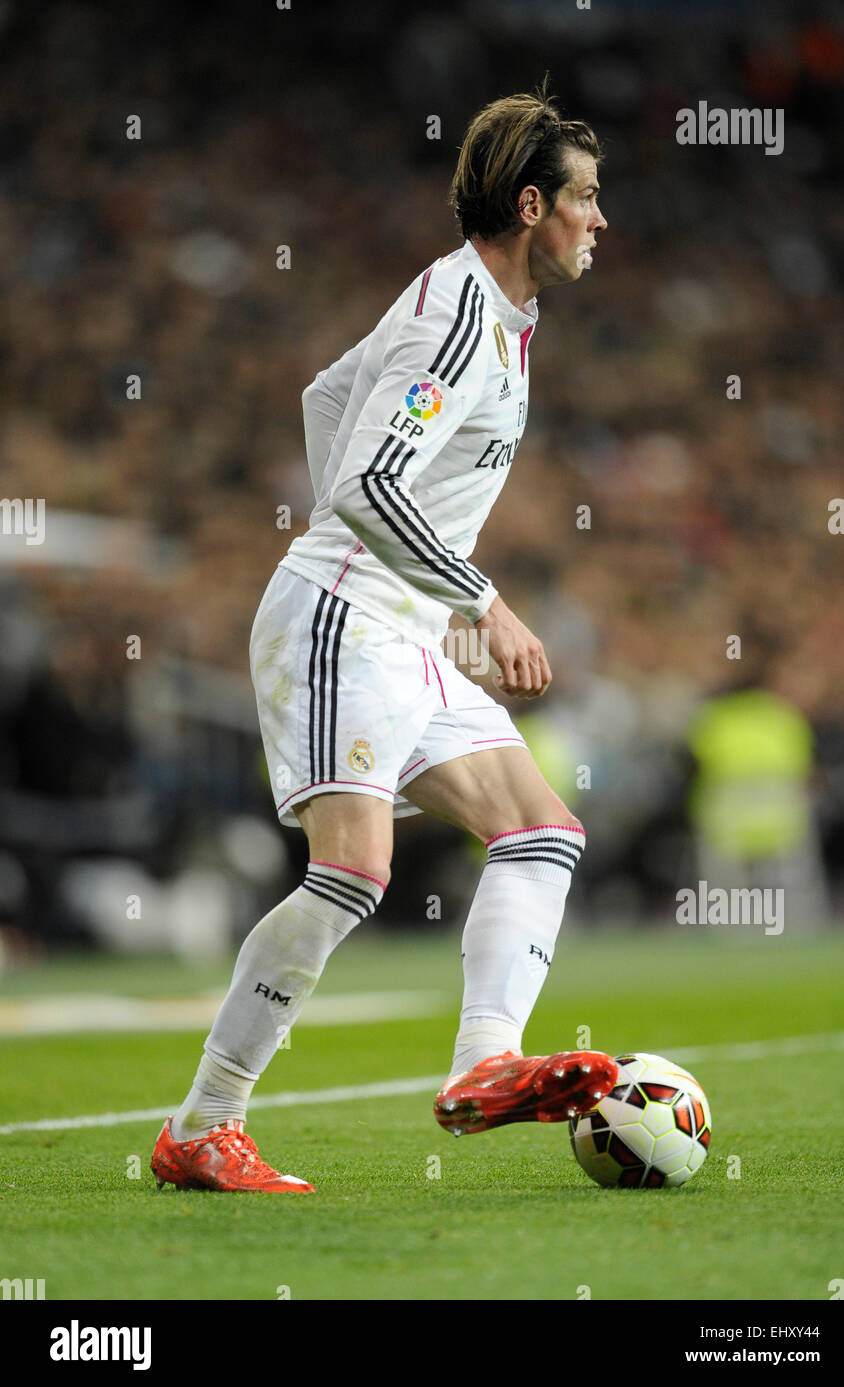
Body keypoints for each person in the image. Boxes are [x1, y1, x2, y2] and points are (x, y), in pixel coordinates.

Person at [152, 85, 616, 1193]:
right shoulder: (458, 316)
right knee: (355, 869)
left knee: (540, 832)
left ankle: (485, 1066)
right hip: (343, 617)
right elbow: (363, 479)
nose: (602, 221)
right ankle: (203, 1123)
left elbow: (327, 397)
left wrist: (417, 584)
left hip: (397, 622)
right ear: (530, 202)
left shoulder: (494, 317)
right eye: (588, 200)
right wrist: (478, 598)